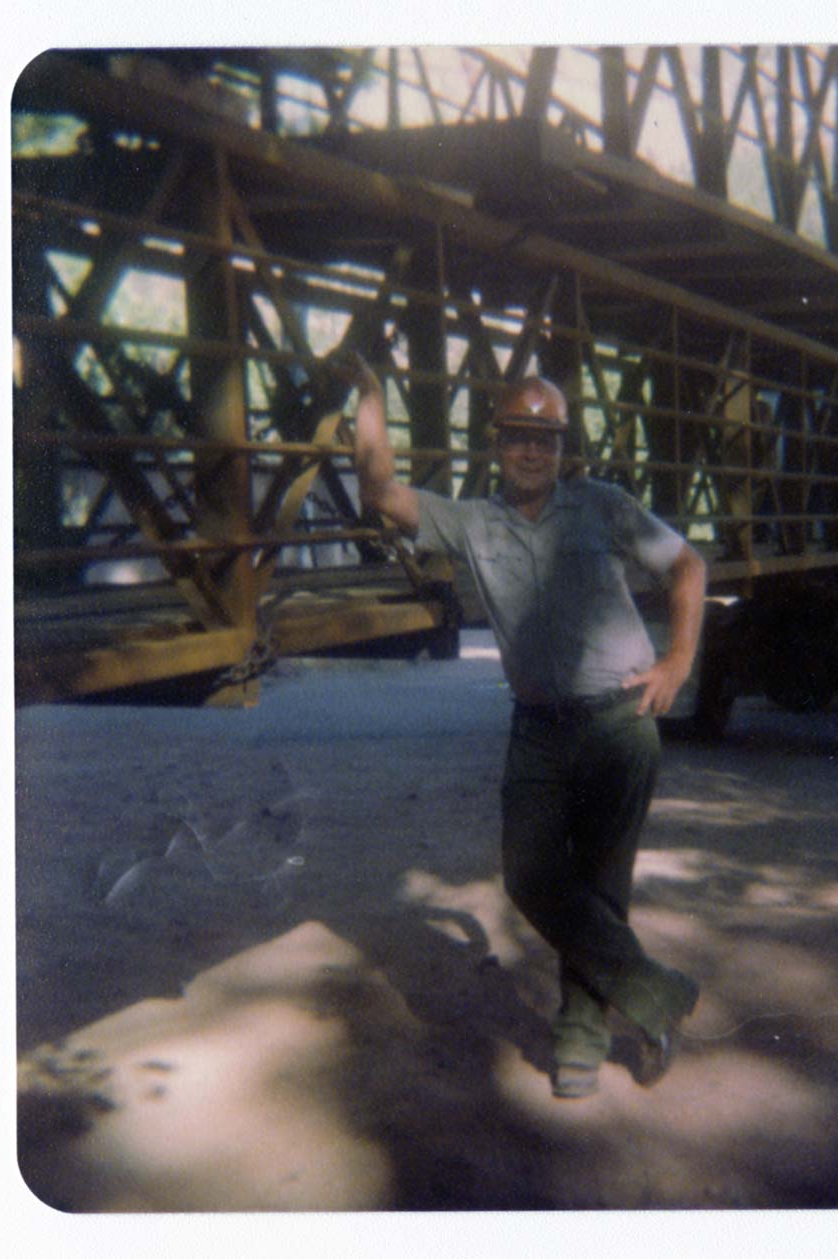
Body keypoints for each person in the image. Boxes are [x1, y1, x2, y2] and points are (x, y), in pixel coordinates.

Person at [342, 352, 706, 1100]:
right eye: (516, 437)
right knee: (531, 874)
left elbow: (688, 566)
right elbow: (379, 489)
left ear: (564, 449)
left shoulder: (602, 505)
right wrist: (371, 396)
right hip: (538, 726)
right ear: (497, 446)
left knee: (601, 888)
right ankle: (655, 990)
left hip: (619, 718)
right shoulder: (471, 522)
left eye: (545, 439)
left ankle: (579, 1037)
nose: (531, 451)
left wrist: (676, 663)